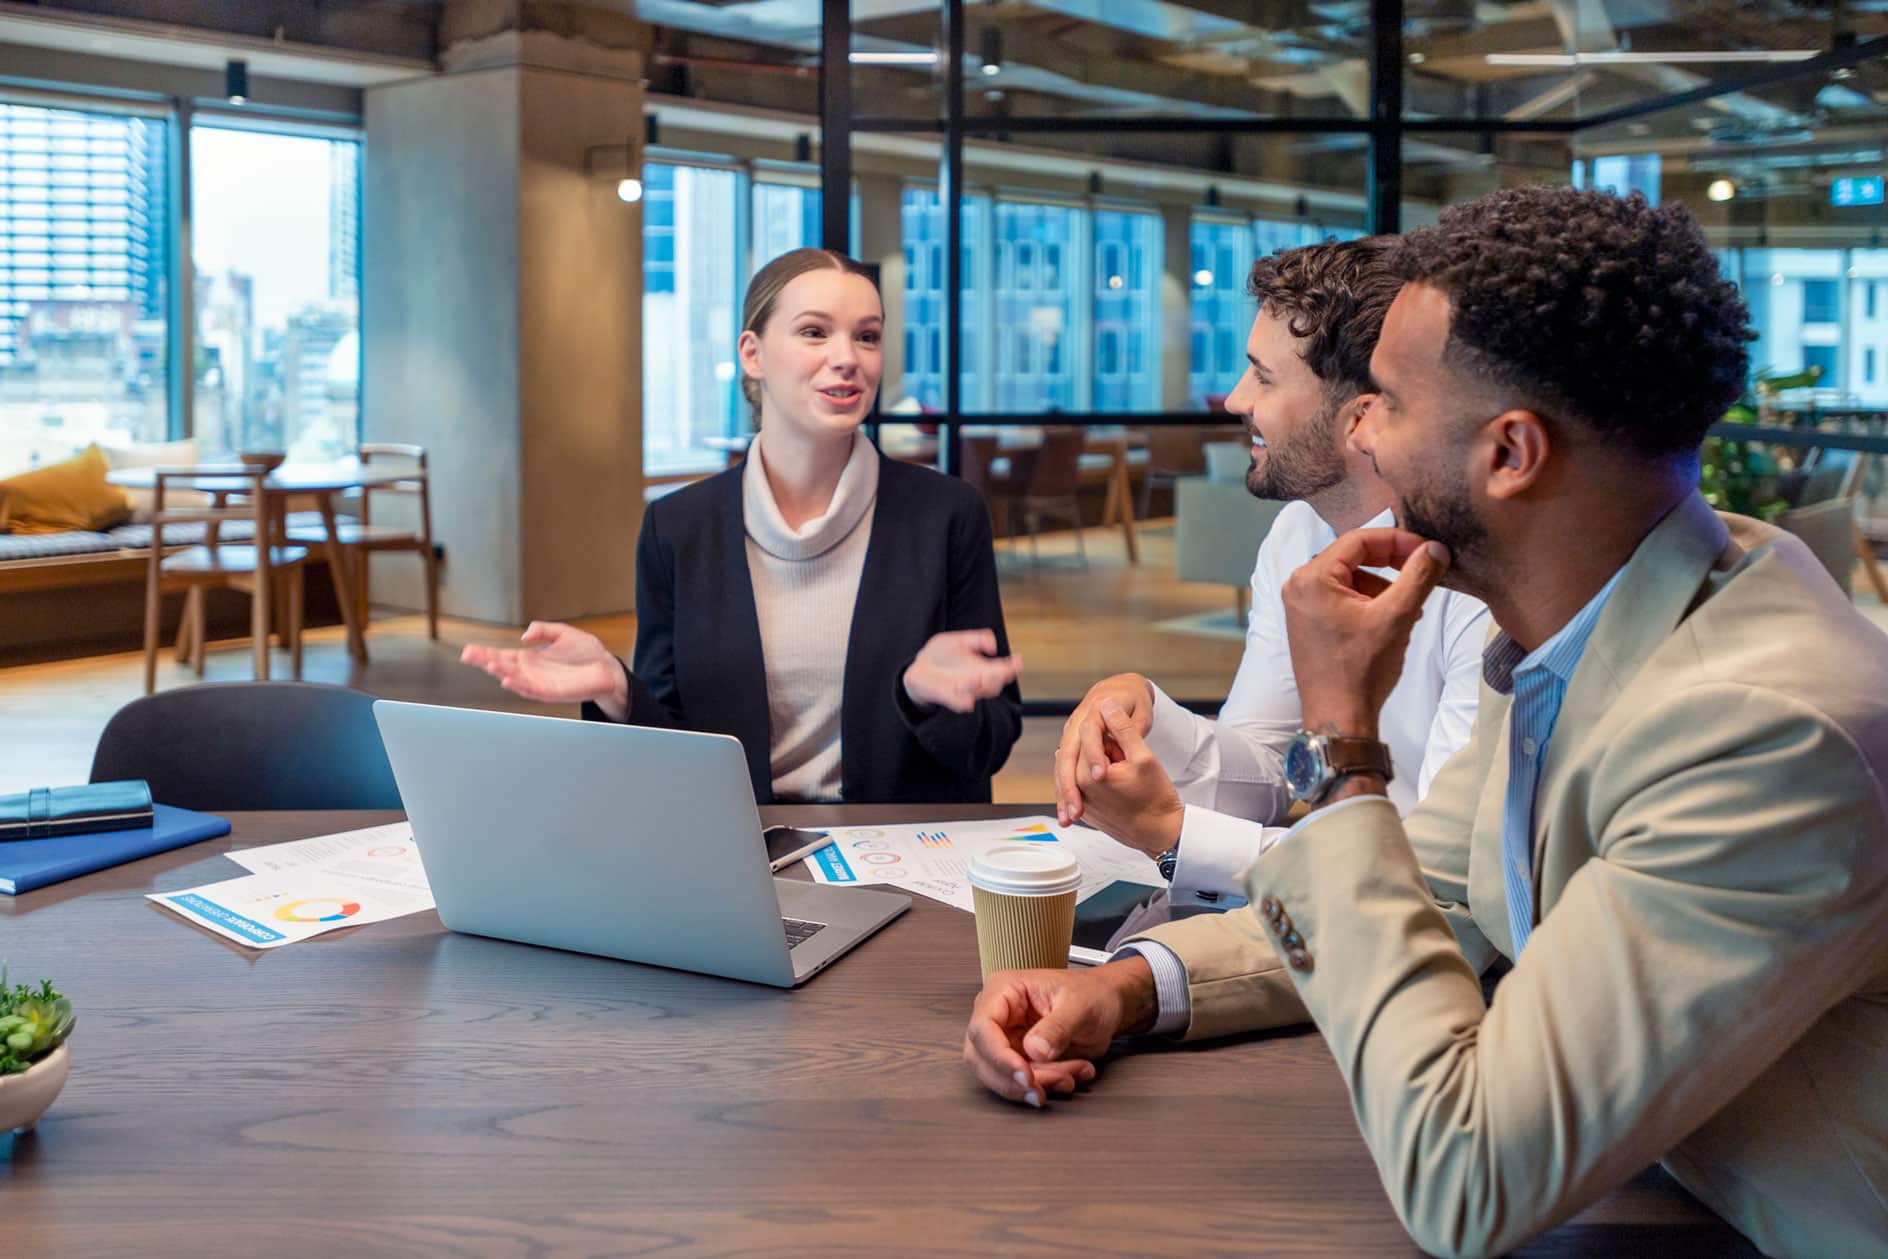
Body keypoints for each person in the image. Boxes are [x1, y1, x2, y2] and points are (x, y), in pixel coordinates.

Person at [960, 187, 1888, 1257]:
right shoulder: (1582, 611)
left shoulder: (1765, 730)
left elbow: (1466, 1178)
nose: (1357, 429)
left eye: (1387, 401)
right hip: (1643, 1191)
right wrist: (1126, 988)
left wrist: (1343, 743)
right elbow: (1440, 893)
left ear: (1509, 453)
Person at [465, 247, 1023, 804]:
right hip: (743, 850)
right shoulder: (678, 528)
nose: (847, 357)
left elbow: (992, 742)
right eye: (814, 332)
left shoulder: (947, 515)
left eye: (867, 336)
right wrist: (618, 690)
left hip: (897, 853)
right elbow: (672, 755)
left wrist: (930, 701)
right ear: (752, 354)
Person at [1054, 238, 1488, 902]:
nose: (1234, 400)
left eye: (1262, 375)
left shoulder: (1477, 584)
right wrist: (1146, 712)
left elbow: (1436, 879)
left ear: (1361, 416)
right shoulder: (1297, 531)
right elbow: (1269, 771)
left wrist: (1174, 835)